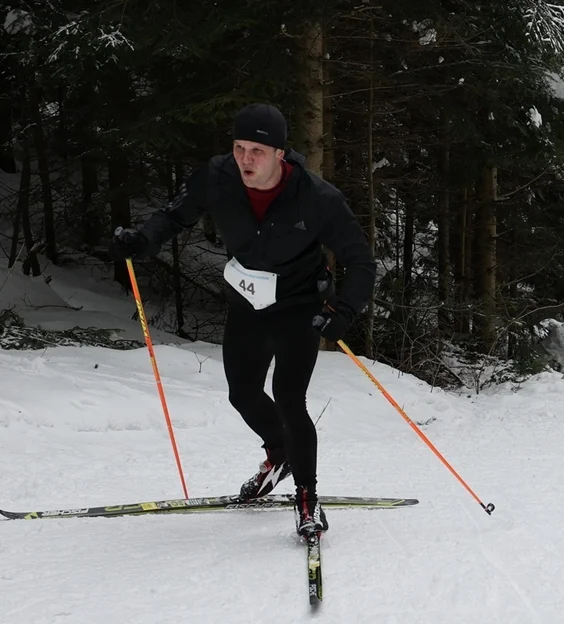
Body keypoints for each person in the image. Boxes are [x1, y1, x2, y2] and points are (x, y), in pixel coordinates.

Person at [111, 103, 378, 537]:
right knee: (243, 393)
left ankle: (307, 499)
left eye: (257, 150)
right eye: (239, 148)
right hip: (246, 301)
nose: (246, 159)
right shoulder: (218, 177)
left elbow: (361, 262)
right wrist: (143, 242)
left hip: (297, 306)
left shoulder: (317, 197)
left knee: (289, 397)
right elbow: (174, 215)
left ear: (279, 153)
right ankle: (280, 453)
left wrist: (342, 312)